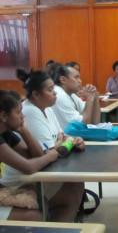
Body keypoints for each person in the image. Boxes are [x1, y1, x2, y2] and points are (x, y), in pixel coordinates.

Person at [16, 69, 85, 221]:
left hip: (43, 170)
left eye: (54, 88)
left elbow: (62, 137)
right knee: (69, 196)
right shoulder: (30, 112)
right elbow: (52, 152)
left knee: (77, 184)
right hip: (27, 179)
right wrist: (62, 143)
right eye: (50, 89)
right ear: (36, 94)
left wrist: (74, 140)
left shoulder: (47, 108)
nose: (55, 93)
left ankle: (63, 225)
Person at [0, 90, 58, 221]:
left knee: (41, 199)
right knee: (32, 217)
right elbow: (29, 167)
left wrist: (23, 130)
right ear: (4, 116)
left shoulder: (6, 133)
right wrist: (50, 155)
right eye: (18, 112)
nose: (23, 116)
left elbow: (35, 156)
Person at [49, 64, 100, 130]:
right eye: (76, 77)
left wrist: (95, 97)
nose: (80, 81)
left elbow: (95, 122)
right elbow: (83, 125)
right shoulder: (59, 95)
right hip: (65, 138)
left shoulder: (71, 94)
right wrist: (90, 98)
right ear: (63, 80)